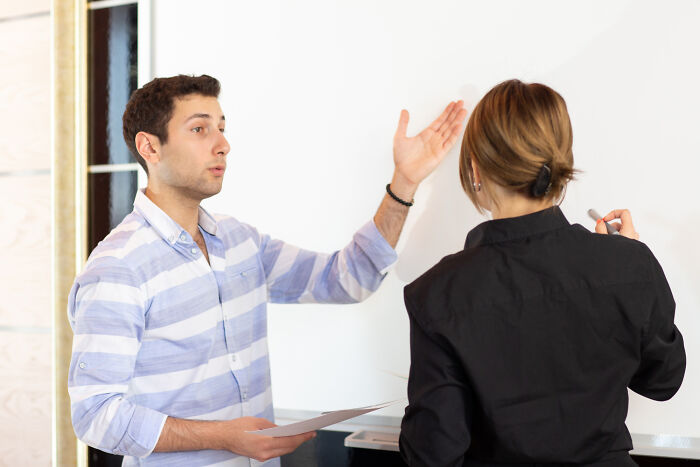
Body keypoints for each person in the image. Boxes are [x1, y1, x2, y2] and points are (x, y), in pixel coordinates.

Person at [67, 74, 466, 466]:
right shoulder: (118, 269)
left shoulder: (241, 242)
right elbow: (96, 415)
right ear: (150, 148)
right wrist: (223, 437)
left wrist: (404, 181)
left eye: (221, 128)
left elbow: (347, 279)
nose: (222, 144)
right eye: (200, 129)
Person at [399, 79, 685, 466]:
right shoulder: (630, 264)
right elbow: (662, 381)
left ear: (475, 168)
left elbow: (433, 454)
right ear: (560, 163)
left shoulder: (436, 294)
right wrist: (628, 261)